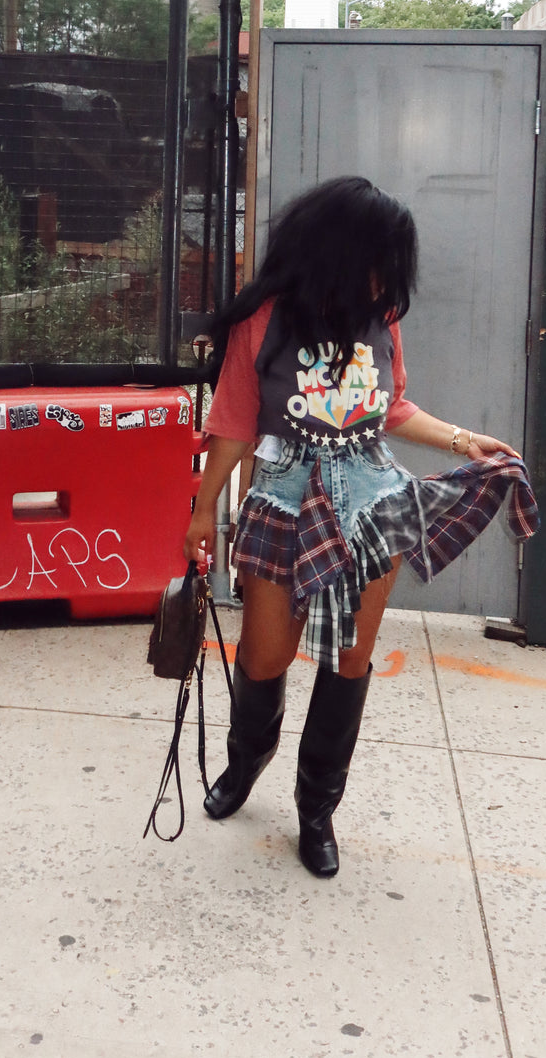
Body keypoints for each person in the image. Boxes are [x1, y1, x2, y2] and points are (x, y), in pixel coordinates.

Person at [183, 175, 524, 879]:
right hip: (281, 506)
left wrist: (467, 442)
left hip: (370, 507)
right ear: (339, 254)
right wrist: (201, 513)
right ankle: (246, 764)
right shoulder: (266, 321)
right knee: (263, 658)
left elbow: (391, 408)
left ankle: (316, 812)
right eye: (379, 262)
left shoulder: (382, 320)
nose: (386, 280)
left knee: (347, 661)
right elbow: (234, 425)